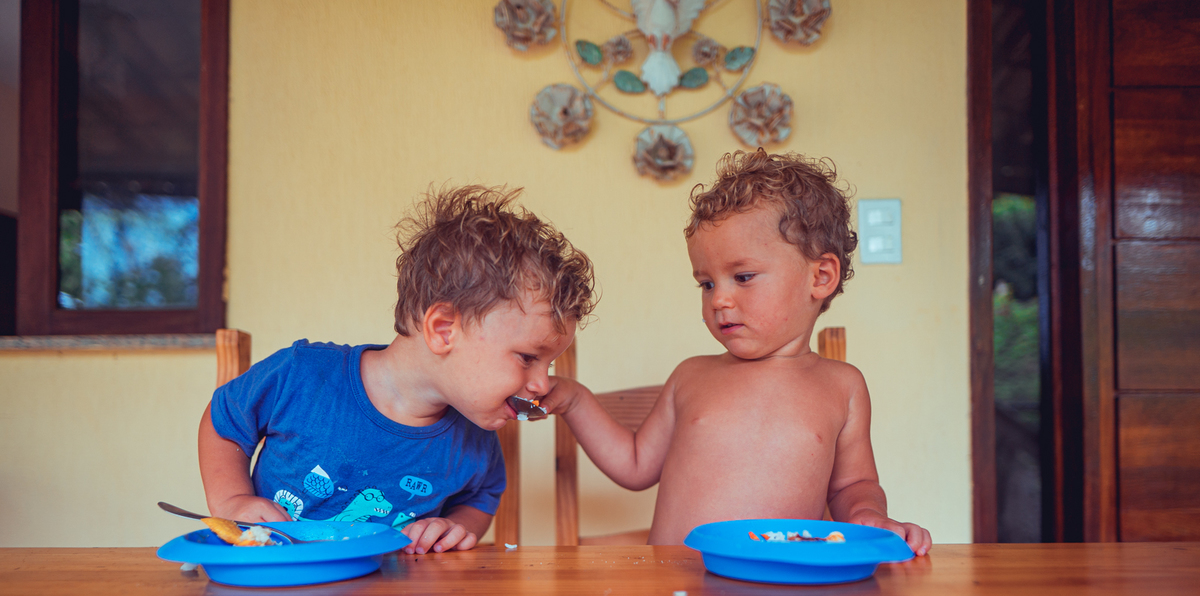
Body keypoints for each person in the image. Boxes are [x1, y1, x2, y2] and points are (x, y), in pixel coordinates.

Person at [541, 150, 931, 554]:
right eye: (706, 283)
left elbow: (853, 484)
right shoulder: (690, 376)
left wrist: (868, 515)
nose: (720, 300)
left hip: (781, 594)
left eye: (742, 277)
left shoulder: (842, 386)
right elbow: (636, 466)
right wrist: (575, 399)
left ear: (821, 276)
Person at [198, 186, 596, 555]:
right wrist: (233, 500)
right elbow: (225, 419)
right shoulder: (304, 375)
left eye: (549, 364)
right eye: (528, 357)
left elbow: (481, 496)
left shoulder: (476, 432)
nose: (543, 384)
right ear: (443, 330)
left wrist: (455, 527)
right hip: (274, 592)